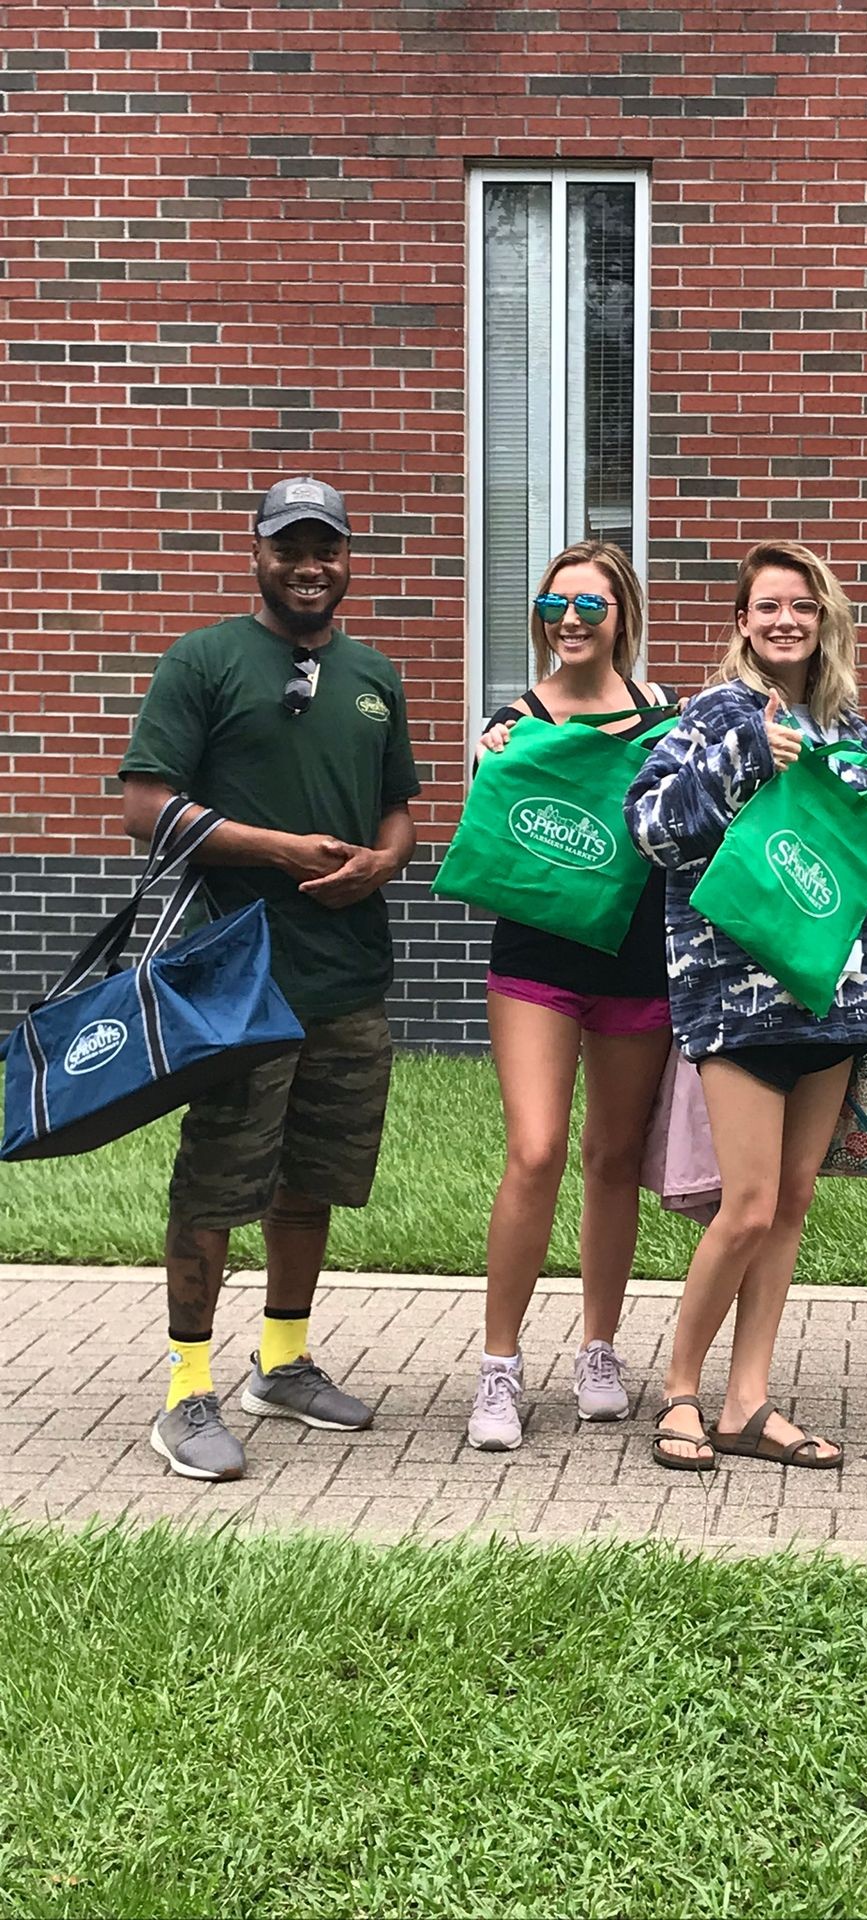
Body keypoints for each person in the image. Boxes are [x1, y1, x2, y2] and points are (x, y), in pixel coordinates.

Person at [119, 476, 421, 1482]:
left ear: (347, 559)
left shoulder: (375, 675)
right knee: (217, 1178)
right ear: (256, 552)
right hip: (235, 974)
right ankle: (185, 1393)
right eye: (289, 546)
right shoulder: (204, 660)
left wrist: (383, 861)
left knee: (312, 1181)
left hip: (347, 978)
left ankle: (282, 1365)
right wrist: (284, 851)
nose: (309, 564)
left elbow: (399, 812)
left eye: (325, 547)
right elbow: (149, 808)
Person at [625, 540, 867, 1470]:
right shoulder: (715, 713)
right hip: (735, 994)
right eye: (768, 606)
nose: (786, 620)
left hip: (832, 994)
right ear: (742, 622)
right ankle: (681, 1391)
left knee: (792, 1200)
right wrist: (751, 755)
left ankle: (748, 1402)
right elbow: (652, 827)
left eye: (802, 604)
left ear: (826, 616)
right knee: (749, 1204)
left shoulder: (854, 728)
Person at [464, 540, 676, 1452]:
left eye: (591, 606)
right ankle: (499, 1367)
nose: (573, 623)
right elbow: (492, 827)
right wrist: (490, 764)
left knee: (614, 1157)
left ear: (622, 615)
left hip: (638, 961)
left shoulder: (669, 716)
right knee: (536, 1149)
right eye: (556, 609)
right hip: (537, 961)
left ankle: (599, 1348)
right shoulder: (512, 723)